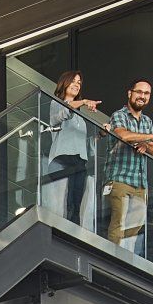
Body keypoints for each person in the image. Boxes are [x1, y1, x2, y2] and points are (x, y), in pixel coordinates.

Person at [105, 77, 153, 255]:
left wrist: (146, 144)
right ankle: (113, 258)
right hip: (119, 178)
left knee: (135, 227)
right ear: (129, 93)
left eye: (147, 93)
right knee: (119, 222)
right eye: (139, 92)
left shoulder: (147, 121)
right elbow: (124, 135)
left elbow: (152, 150)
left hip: (140, 183)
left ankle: (127, 259)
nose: (142, 96)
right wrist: (151, 137)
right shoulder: (119, 115)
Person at [37, 70, 99, 228]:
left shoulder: (80, 116)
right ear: (64, 83)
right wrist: (84, 101)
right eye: (73, 81)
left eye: (79, 83)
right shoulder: (55, 103)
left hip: (79, 161)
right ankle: (56, 232)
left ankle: (72, 234)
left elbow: (83, 144)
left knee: (76, 204)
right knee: (61, 204)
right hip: (62, 159)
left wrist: (100, 135)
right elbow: (63, 113)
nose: (77, 85)